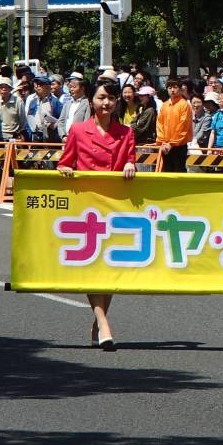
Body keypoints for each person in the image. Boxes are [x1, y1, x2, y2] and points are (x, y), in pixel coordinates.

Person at [57, 80, 136, 351]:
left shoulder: (126, 132)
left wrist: (129, 163)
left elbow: (131, 158)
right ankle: (103, 323)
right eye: (102, 98)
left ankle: (99, 320)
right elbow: (64, 162)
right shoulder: (79, 131)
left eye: (111, 99)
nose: (107, 103)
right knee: (92, 268)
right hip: (87, 208)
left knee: (110, 268)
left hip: (115, 207)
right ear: (91, 100)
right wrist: (65, 170)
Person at [156, 77, 192, 172]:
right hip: (165, 145)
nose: (172, 90)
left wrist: (172, 143)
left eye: (175, 87)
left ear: (180, 89)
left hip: (179, 145)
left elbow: (183, 126)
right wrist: (162, 141)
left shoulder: (184, 105)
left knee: (179, 171)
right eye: (170, 88)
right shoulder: (164, 105)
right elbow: (159, 124)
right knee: (166, 171)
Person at [26, 75, 62, 143]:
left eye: (40, 84)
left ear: (48, 87)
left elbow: (61, 120)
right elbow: (28, 118)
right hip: (35, 137)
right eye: (36, 84)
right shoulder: (32, 101)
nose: (37, 86)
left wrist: (54, 125)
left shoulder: (55, 102)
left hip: (50, 137)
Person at [58, 72, 91, 141]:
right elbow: (61, 121)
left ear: (82, 88)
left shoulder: (87, 104)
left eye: (74, 87)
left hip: (79, 140)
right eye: (70, 87)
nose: (71, 89)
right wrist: (63, 136)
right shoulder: (67, 104)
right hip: (65, 140)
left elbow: (86, 124)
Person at [0, 77, 26, 142]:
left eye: (6, 86)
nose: (3, 89)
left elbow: (23, 120)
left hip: (13, 136)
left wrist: (19, 133)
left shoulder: (18, 101)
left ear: (10, 89)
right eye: (1, 87)